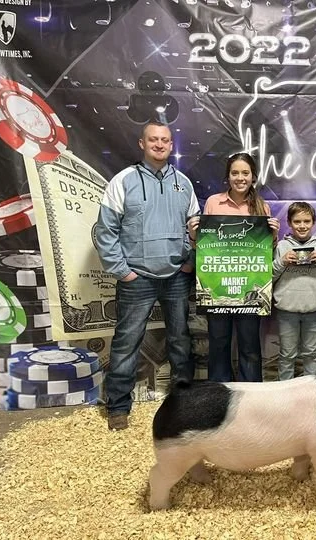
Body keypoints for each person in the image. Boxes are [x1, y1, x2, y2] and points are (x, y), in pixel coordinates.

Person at [95, 121, 199, 431]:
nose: (159, 144)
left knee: (180, 341)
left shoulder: (184, 183)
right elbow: (105, 231)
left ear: (171, 145)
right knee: (127, 342)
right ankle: (118, 407)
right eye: (152, 139)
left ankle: (184, 403)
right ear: (142, 144)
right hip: (136, 277)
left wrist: (190, 262)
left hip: (176, 276)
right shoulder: (123, 181)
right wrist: (122, 271)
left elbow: (195, 229)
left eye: (164, 140)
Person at [187, 152, 280, 382]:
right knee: (218, 343)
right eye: (235, 173)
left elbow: (265, 252)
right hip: (217, 287)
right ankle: (219, 396)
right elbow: (204, 247)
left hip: (249, 287)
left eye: (245, 173)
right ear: (227, 177)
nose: (240, 178)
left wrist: (274, 235)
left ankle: (252, 396)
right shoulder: (212, 202)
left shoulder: (262, 207)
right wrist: (192, 235)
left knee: (249, 346)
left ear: (253, 177)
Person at [272, 202, 316, 380]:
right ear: (290, 223)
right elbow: (268, 278)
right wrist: (281, 262)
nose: (302, 225)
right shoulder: (281, 247)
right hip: (287, 311)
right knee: (286, 355)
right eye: (297, 221)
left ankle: (311, 394)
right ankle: (283, 393)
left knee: (311, 355)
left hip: (313, 311)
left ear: (314, 222)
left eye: (307, 221)